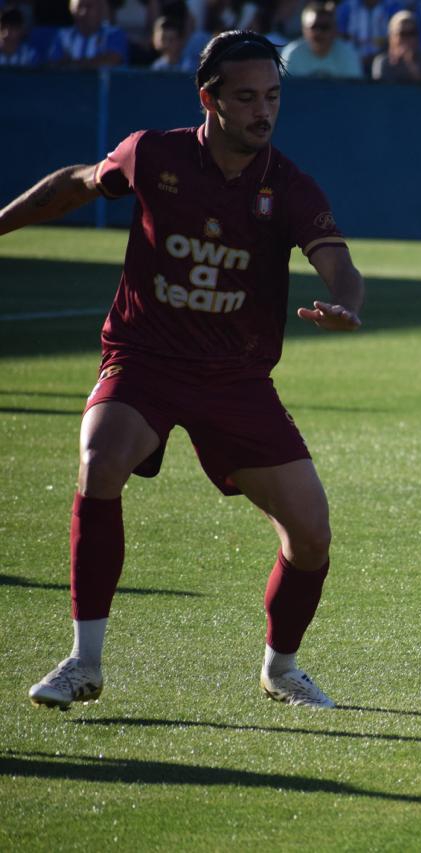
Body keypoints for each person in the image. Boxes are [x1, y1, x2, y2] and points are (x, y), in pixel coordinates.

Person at [3, 30, 364, 711]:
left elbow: (338, 262)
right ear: (210, 99)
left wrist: (345, 302)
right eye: (248, 97)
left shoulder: (285, 185)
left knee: (311, 533)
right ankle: (84, 661)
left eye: (274, 97)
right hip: (145, 360)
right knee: (99, 459)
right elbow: (73, 185)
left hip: (236, 379)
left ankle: (280, 668)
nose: (265, 111)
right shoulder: (153, 154)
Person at [282, 0, 364, 78]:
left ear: (335, 30)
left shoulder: (348, 54)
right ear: (303, 30)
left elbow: (354, 90)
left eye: (324, 27)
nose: (319, 32)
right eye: (314, 27)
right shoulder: (292, 54)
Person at [47, 0, 128, 67]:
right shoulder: (63, 35)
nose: (83, 13)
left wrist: (73, 65)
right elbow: (53, 64)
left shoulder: (113, 34)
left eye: (89, 7)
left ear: (101, 11)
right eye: (79, 7)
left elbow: (112, 61)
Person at [372, 8, 421, 81]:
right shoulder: (382, 62)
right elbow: (380, 90)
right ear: (391, 37)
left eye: (412, 33)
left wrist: (411, 64)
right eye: (402, 33)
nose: (407, 38)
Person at [336, 0, 401, 70]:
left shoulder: (392, 6)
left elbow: (399, 39)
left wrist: (377, 58)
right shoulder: (347, 7)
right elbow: (341, 38)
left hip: (385, 62)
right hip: (352, 61)